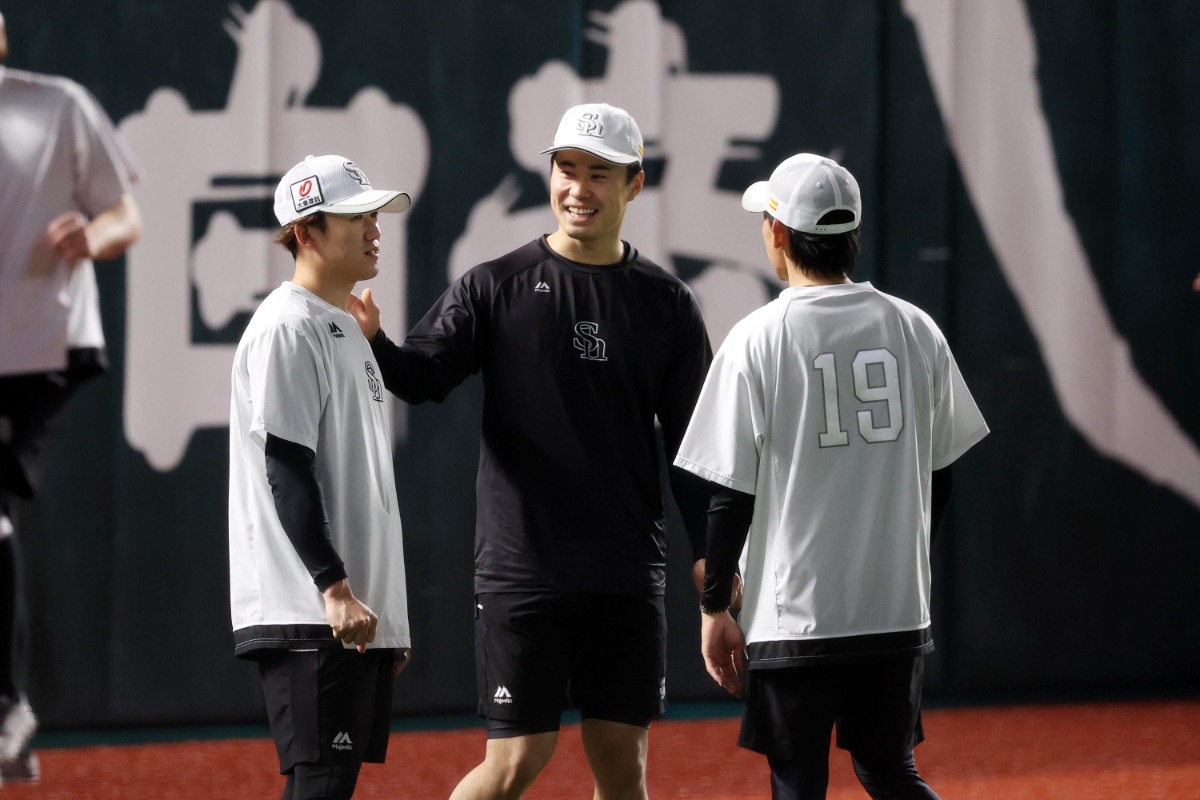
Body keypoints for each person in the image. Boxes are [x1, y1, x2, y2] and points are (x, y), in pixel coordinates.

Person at [347, 103, 714, 800]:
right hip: (523, 569)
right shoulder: (495, 285)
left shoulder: (667, 303)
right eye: (566, 169)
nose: (578, 188)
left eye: (599, 173)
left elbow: (695, 446)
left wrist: (709, 554)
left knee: (624, 768)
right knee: (516, 760)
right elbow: (422, 378)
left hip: (625, 572)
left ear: (634, 185)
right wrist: (376, 344)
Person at [674, 154, 989, 800]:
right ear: (853, 234)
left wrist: (714, 608)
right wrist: (901, 564)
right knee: (889, 771)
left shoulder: (757, 338)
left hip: (794, 617)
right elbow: (941, 476)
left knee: (798, 781)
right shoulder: (916, 328)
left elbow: (729, 496)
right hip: (894, 611)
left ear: (778, 232)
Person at [228, 154, 413, 800]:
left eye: (375, 216)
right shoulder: (288, 326)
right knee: (321, 785)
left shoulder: (344, 327)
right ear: (306, 233)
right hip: (313, 610)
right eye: (356, 217)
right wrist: (334, 589)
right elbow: (285, 466)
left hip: (347, 615)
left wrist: (385, 616)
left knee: (327, 786)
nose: (374, 229)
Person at [0, 9, 142, 785]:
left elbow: (126, 214)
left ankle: (7, 706)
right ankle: (10, 718)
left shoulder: (56, 105)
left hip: (43, 349)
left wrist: (95, 236)